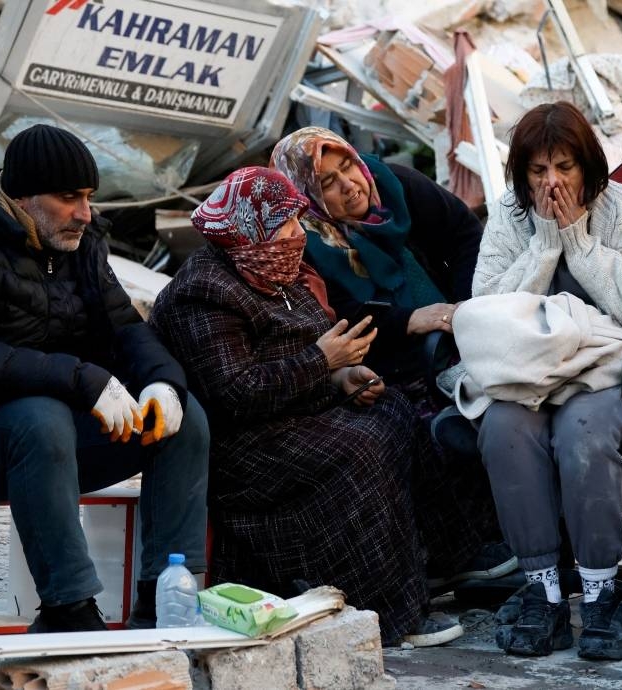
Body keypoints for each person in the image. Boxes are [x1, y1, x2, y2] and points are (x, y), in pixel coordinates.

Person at [149, 166, 503, 647]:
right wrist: (323, 362)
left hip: (292, 410)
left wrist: (344, 377)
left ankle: (440, 566)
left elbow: (308, 350)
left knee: (394, 413)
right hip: (243, 445)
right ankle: (388, 611)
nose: (299, 235)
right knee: (361, 447)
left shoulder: (274, 269)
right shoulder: (206, 293)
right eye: (288, 225)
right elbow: (237, 392)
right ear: (254, 232)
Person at [0, 124, 210, 632]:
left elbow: (125, 326)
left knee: (184, 419)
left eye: (88, 197)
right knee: (42, 417)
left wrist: (162, 384)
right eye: (68, 198)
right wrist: (83, 380)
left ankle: (167, 597)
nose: (84, 212)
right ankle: (69, 608)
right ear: (21, 196)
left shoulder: (80, 241)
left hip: (55, 441)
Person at [471, 101, 622, 661]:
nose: (552, 183)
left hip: (603, 370)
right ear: (521, 174)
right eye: (538, 171)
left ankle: (599, 594)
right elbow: (486, 305)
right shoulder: (509, 214)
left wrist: (579, 239)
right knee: (502, 429)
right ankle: (542, 590)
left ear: (588, 168)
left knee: (583, 438)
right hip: (527, 371)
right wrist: (545, 244)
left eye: (565, 168)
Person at [270, 126, 483, 393]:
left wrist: (468, 306)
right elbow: (340, 315)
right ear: (306, 197)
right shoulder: (307, 244)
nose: (348, 185)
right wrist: (409, 319)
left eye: (348, 166)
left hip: (462, 320)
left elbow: (465, 235)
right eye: (327, 183)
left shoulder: (397, 185)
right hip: (390, 364)